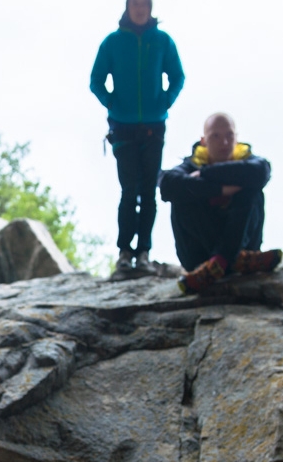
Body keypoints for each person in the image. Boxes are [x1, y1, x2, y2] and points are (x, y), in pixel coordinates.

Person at [90, 0, 184, 279]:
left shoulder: (163, 41)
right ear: (128, 7)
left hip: (155, 126)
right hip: (123, 127)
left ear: (151, 7)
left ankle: (144, 253)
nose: (140, 8)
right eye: (135, 3)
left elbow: (177, 76)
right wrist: (113, 104)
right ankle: (124, 253)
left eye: (144, 3)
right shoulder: (112, 42)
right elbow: (96, 80)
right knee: (129, 191)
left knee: (149, 192)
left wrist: (164, 102)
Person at [159, 113, 282, 294]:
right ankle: (231, 258)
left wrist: (204, 175)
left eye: (229, 136)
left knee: (251, 191)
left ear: (237, 138)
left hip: (246, 250)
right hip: (200, 259)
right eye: (215, 136)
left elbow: (261, 171)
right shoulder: (190, 165)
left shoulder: (249, 160)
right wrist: (222, 190)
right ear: (203, 141)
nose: (224, 143)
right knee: (182, 196)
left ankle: (223, 259)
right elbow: (167, 185)